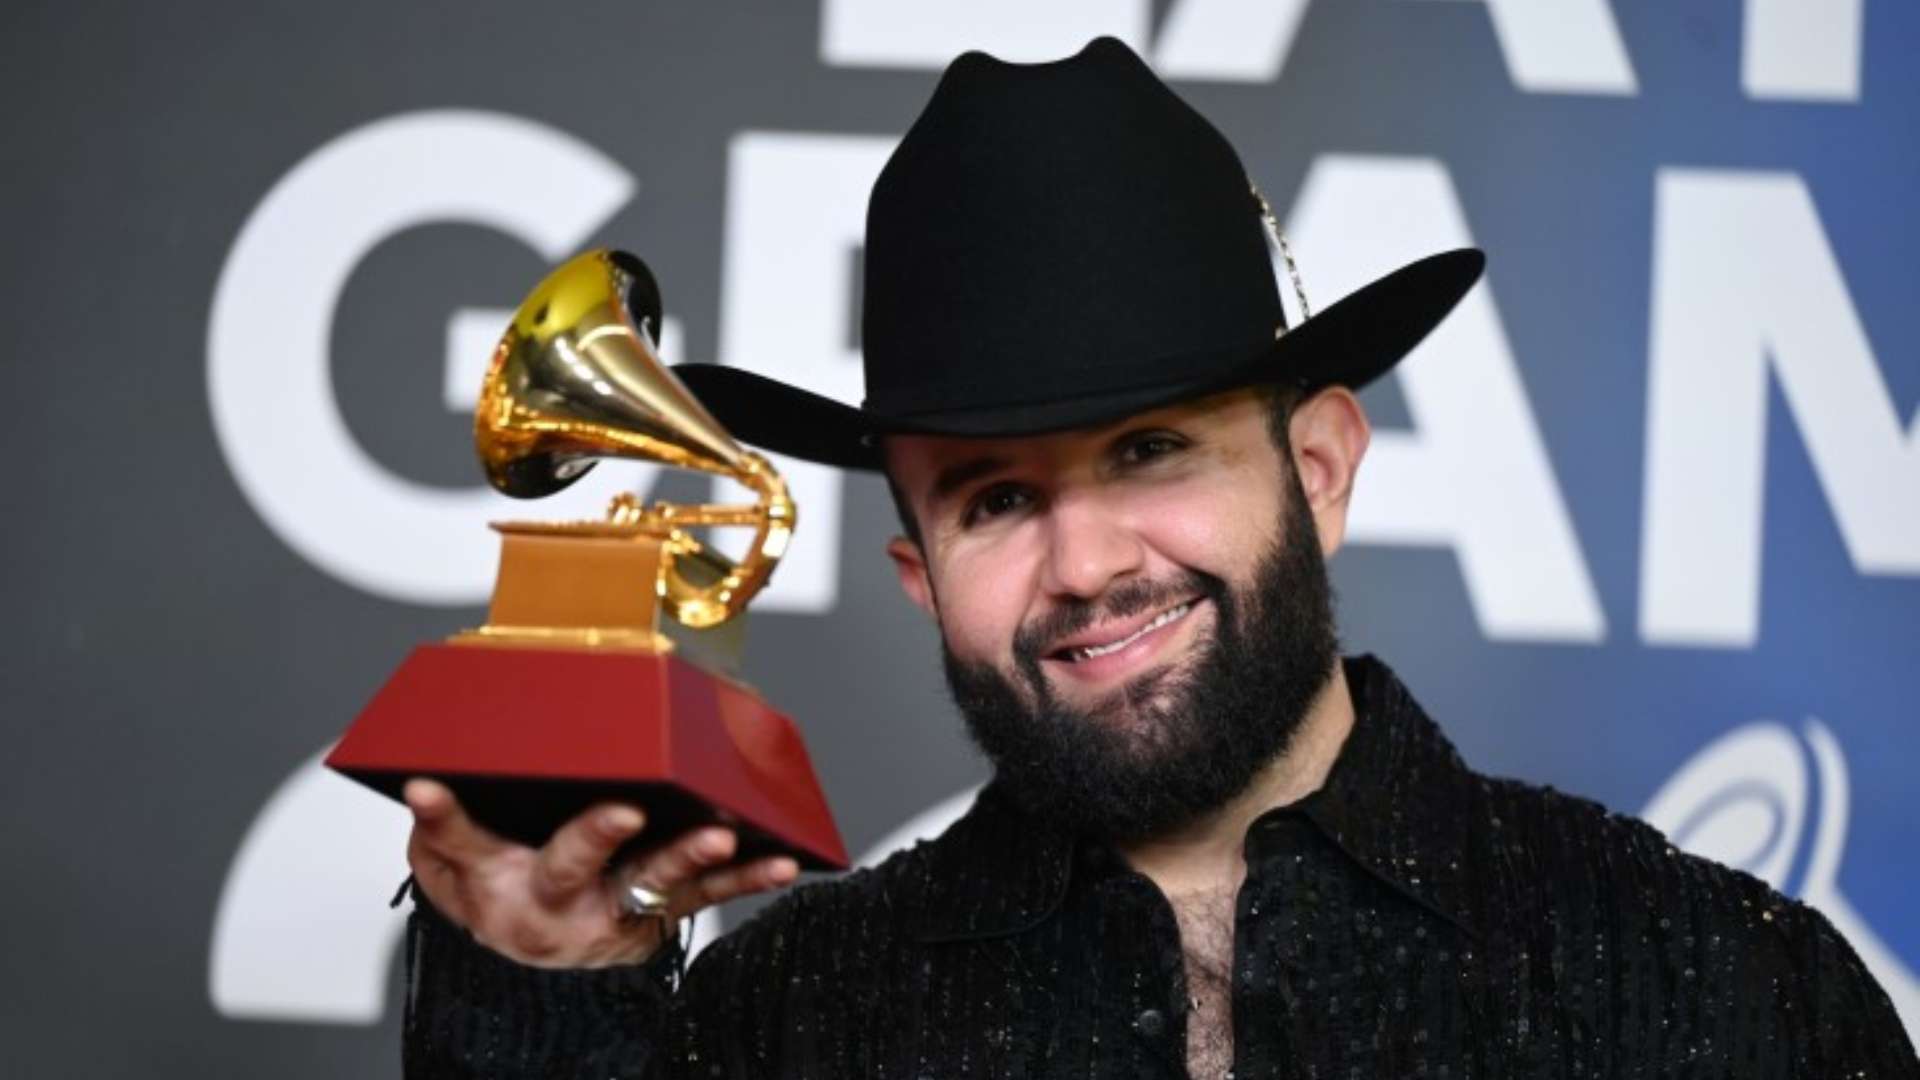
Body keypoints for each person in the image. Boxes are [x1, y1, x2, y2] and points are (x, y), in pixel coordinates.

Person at [399, 37, 1917, 1078]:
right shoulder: (779, 1024)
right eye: (996, 499)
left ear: (1318, 471)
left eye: (1150, 452)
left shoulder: (1723, 983)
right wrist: (536, 1016)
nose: (1084, 563)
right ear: (922, 575)